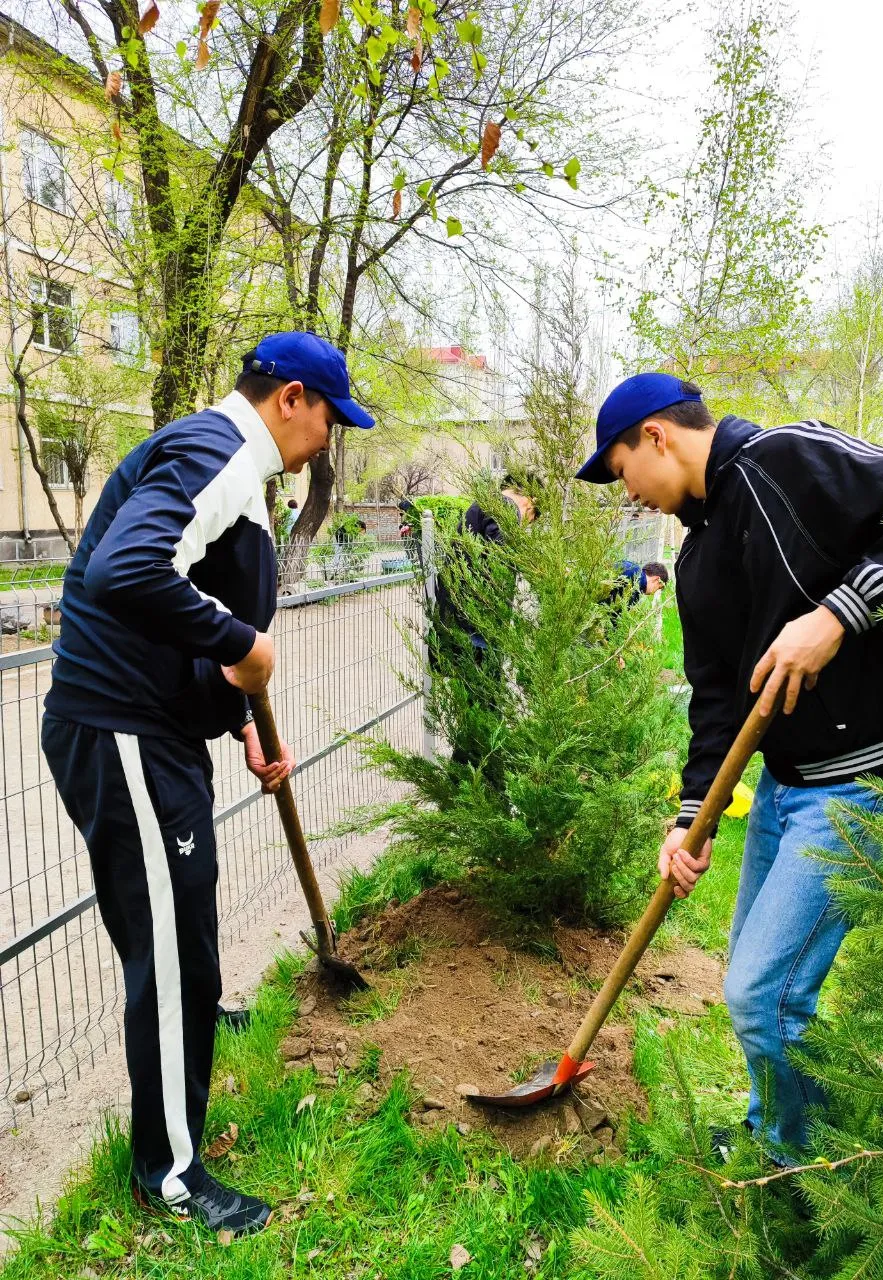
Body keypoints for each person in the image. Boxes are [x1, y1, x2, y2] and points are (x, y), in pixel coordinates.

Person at [575, 371, 883, 1162]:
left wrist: (839, 614)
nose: (630, 494)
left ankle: (806, 1169)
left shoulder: (787, 458)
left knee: (761, 996)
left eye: (621, 471)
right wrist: (693, 819)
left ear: (656, 436)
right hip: (785, 789)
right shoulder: (697, 560)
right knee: (757, 987)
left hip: (862, 785)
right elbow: (717, 704)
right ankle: (773, 1132)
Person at [41, 332, 374, 1235]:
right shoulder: (218, 449)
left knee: (182, 941)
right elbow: (125, 571)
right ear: (291, 398)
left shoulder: (235, 470)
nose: (329, 440)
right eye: (330, 419)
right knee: (173, 955)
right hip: (123, 733)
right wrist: (242, 646)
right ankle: (172, 1176)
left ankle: (189, 1053)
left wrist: (238, 721)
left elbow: (184, 616)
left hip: (156, 732)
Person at [431, 475, 538, 768]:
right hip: (476, 630)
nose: (526, 525)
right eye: (532, 518)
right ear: (529, 500)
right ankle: (469, 777)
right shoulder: (502, 507)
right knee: (484, 708)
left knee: (481, 708)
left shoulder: (480, 510)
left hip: (464, 626)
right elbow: (498, 555)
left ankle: (472, 776)